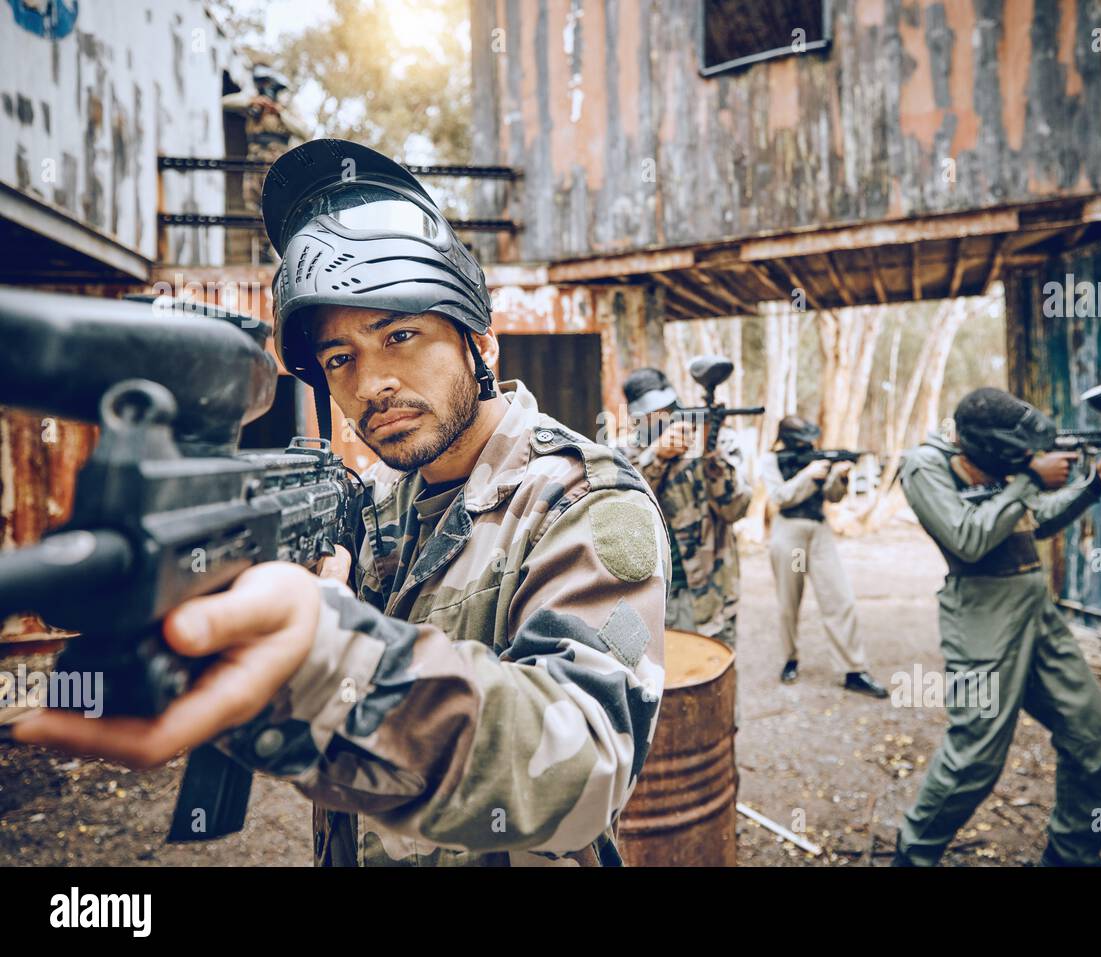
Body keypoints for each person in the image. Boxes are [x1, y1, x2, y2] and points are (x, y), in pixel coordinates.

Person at [11, 139, 671, 868]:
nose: (371, 382)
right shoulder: (379, 505)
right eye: (339, 358)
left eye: (401, 335)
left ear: (479, 343)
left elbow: (588, 767)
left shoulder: (584, 498)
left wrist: (329, 657)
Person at [893, 387, 1101, 866]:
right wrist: (1030, 478)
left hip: (1037, 612)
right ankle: (912, 858)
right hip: (983, 618)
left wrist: (1096, 483)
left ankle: (1072, 855)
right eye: (1021, 454)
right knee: (975, 760)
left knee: (1093, 736)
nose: (1029, 458)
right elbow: (968, 538)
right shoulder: (925, 465)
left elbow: (1036, 522)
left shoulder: (999, 469)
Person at [618, 368, 751, 648]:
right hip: (650, 597)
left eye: (667, 409)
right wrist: (657, 457)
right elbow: (625, 513)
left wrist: (711, 454)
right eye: (651, 414)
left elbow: (734, 509)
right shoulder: (625, 455)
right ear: (634, 418)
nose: (661, 418)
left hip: (710, 596)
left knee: (714, 683)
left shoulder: (714, 443)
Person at [759, 416, 888, 696]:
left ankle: (854, 669)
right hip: (791, 535)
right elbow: (780, 497)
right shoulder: (772, 461)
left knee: (840, 598)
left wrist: (839, 477)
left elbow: (833, 497)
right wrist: (807, 474)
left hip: (819, 534)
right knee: (789, 601)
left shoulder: (820, 460)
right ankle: (790, 659)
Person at [221, 65, 310, 261]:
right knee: (253, 205)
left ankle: (282, 252)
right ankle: (263, 249)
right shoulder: (253, 104)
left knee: (278, 206)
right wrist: (251, 101)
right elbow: (224, 103)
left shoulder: (287, 108)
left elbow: (303, 131)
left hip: (278, 164)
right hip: (254, 162)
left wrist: (279, 113)